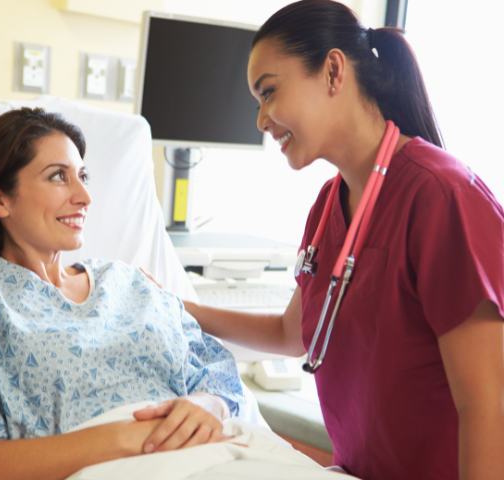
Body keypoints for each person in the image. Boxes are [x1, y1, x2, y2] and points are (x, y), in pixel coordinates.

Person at [139, 1, 504, 479]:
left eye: (268, 92)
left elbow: (490, 405)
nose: (261, 119)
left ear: (333, 70)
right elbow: (294, 334)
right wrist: (177, 307)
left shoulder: (442, 196)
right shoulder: (330, 203)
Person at [0, 107, 245, 480]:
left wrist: (208, 405)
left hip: (226, 455)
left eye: (82, 175)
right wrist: (125, 437)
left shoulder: (131, 283)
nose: (84, 197)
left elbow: (215, 373)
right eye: (58, 177)